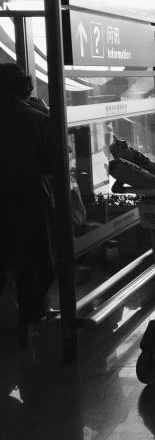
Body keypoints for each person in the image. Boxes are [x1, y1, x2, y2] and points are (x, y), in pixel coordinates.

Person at [0, 63, 55, 348]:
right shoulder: (36, 119)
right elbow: (50, 164)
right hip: (27, 198)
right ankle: (27, 322)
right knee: (35, 262)